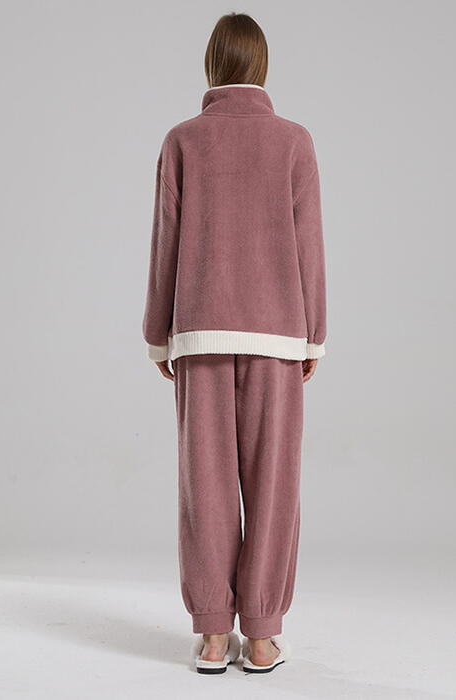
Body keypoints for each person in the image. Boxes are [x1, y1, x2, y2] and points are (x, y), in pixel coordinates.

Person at [141, 12, 327, 674]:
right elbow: (309, 245)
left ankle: (215, 635)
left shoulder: (182, 141)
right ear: (262, 66)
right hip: (278, 336)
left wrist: (158, 335)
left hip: (201, 333)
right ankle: (264, 634)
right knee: (274, 484)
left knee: (206, 486)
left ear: (212, 65)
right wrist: (314, 336)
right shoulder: (294, 142)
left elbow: (165, 243)